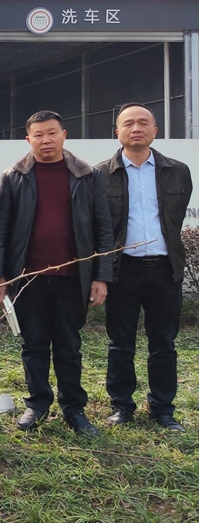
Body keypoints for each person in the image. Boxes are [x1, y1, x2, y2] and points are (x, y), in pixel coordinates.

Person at [0, 110, 113, 437]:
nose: (46, 140)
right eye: (39, 135)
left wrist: (101, 276)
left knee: (69, 346)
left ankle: (74, 410)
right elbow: (0, 231)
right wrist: (0, 277)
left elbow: (103, 229)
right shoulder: (13, 177)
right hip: (27, 278)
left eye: (52, 133)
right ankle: (37, 405)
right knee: (33, 344)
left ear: (64, 135)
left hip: (73, 278)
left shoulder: (88, 176)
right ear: (28, 139)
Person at [98, 103, 193, 432]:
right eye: (128, 123)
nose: (136, 128)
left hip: (165, 268)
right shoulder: (101, 174)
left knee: (164, 343)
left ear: (155, 130)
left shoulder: (178, 171)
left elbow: (176, 217)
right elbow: (100, 226)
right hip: (122, 269)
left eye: (143, 123)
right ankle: (121, 406)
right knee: (120, 342)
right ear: (118, 132)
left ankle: (163, 408)